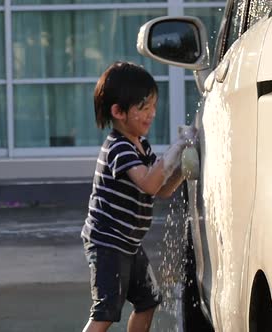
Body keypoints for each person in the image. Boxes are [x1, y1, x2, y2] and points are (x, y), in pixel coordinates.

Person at [81, 61, 190, 332]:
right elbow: (150, 184)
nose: (151, 114)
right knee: (105, 312)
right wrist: (176, 150)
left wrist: (184, 169)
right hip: (108, 243)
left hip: (127, 243)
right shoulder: (119, 148)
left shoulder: (141, 146)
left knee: (148, 300)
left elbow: (162, 188)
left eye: (153, 106)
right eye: (143, 108)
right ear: (118, 112)